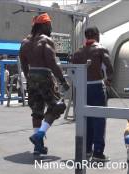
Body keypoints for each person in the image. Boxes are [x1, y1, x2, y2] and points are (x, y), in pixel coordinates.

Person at [19, 12, 70, 155]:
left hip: (31, 77)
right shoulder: (46, 41)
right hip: (44, 76)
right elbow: (52, 63)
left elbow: (23, 64)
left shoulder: (25, 42)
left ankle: (38, 146)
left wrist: (29, 77)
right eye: (50, 24)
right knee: (58, 106)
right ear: (44, 25)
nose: (51, 27)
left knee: (37, 111)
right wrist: (63, 81)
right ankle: (39, 134)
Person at [72, 26, 114, 162]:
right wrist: (109, 80)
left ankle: (86, 150)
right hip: (96, 86)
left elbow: (73, 71)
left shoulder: (78, 52)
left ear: (86, 36)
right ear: (96, 35)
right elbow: (109, 67)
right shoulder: (100, 49)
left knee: (87, 119)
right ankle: (98, 152)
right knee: (99, 119)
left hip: (82, 88)